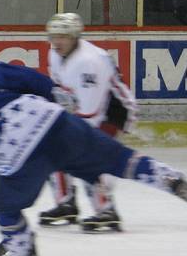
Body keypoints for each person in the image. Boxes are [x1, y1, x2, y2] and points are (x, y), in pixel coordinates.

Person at [0, 54, 187, 256]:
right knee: (117, 158)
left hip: (19, 153)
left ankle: (22, 255)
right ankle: (170, 179)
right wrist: (53, 105)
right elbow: (33, 80)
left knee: (2, 205)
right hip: (55, 123)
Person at [38, 13, 138, 232]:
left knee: (86, 155)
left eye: (62, 36)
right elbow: (60, 89)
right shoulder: (55, 54)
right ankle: (66, 204)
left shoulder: (89, 62)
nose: (56, 41)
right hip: (84, 108)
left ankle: (106, 210)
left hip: (114, 111)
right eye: (53, 35)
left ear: (74, 36)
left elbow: (90, 112)